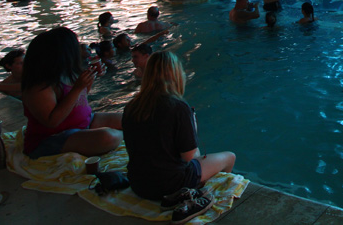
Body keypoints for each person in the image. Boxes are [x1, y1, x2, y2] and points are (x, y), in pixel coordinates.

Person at [123, 51, 236, 207]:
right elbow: (191, 157)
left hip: (138, 184)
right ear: (175, 75)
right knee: (229, 157)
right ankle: (198, 199)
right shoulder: (178, 107)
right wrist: (192, 129)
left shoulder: (131, 106)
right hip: (169, 186)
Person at [21, 27, 123, 158]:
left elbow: (79, 100)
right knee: (108, 137)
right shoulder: (38, 86)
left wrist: (90, 78)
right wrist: (78, 88)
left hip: (83, 123)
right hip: (51, 139)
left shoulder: (67, 72)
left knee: (131, 118)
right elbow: (52, 122)